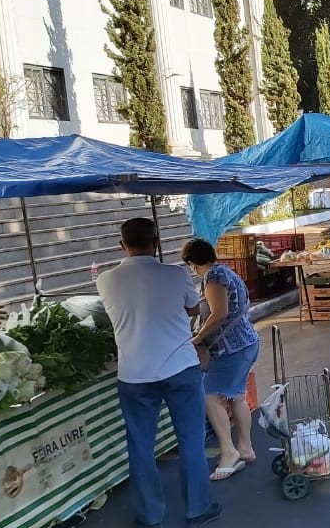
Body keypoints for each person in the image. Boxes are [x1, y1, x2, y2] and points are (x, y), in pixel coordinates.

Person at [98, 218, 221, 528]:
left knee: (140, 447)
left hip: (134, 374)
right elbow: (194, 309)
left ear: (122, 244)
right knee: (191, 440)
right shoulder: (176, 275)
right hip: (180, 368)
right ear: (156, 242)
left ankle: (150, 516)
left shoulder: (105, 280)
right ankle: (198, 509)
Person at [181, 239, 260, 482]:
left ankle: (229, 452)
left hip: (232, 349)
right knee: (236, 396)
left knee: (210, 397)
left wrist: (198, 337)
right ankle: (245, 448)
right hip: (246, 343)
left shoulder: (214, 277)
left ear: (192, 263)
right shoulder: (226, 271)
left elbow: (219, 314)